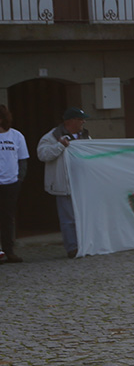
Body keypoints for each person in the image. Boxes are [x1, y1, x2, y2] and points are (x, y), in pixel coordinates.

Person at [38, 108, 90, 258]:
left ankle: (84, 245)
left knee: (84, 216)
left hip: (82, 183)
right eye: (80, 119)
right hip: (64, 184)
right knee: (68, 219)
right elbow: (43, 154)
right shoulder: (51, 137)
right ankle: (72, 248)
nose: (83, 122)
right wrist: (60, 146)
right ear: (70, 121)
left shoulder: (85, 136)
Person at [0, 105, 28, 263]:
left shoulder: (16, 136)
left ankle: (9, 250)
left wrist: (19, 179)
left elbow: (23, 160)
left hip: (11, 183)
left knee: (8, 218)